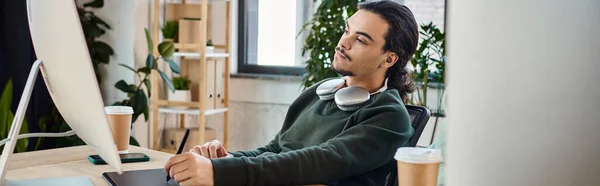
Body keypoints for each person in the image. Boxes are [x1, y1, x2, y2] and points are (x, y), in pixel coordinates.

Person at [164, 0, 419, 185]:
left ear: (389, 59)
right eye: (346, 31)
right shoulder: (317, 93)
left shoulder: (390, 117)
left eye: (361, 40)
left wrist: (219, 172)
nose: (343, 43)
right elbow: (277, 149)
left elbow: (321, 160)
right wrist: (224, 160)